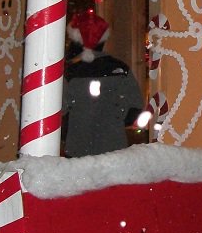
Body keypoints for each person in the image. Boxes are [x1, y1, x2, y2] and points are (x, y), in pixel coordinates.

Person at [61, 12, 144, 158]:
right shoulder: (120, 69)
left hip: (78, 150)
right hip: (114, 148)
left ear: (76, 41)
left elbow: (60, 112)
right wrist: (114, 120)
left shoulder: (70, 73)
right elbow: (135, 109)